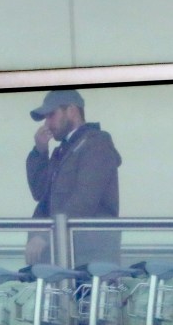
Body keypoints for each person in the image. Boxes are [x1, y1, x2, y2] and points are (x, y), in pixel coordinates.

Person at [25, 89, 122, 266]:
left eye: (51, 115)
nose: (47, 124)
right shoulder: (64, 150)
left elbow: (85, 199)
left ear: (71, 111)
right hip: (65, 254)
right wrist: (39, 152)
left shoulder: (97, 144)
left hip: (91, 259)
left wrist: (46, 235)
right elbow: (40, 193)